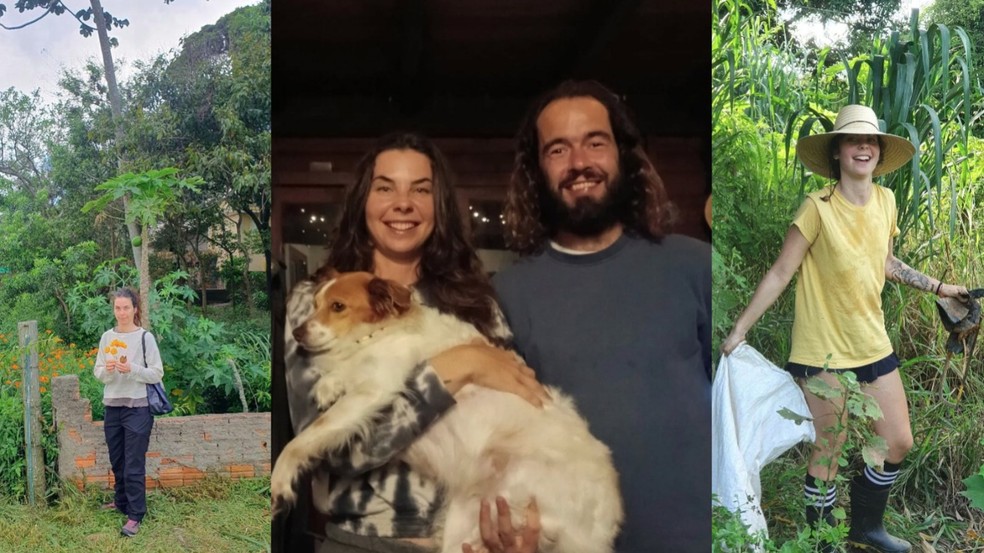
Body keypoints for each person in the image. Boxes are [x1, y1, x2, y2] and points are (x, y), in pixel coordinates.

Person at [282, 132, 547, 553]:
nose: (403, 203)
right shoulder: (318, 303)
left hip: (473, 541)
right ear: (362, 202)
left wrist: (522, 525)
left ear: (438, 206)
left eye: (420, 189)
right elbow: (337, 451)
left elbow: (522, 419)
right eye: (385, 187)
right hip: (359, 544)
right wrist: (457, 368)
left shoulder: (476, 305)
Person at [721, 104, 969, 553]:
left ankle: (865, 528)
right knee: (829, 451)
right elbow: (780, 272)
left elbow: (886, 262)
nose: (863, 147)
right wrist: (740, 329)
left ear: (878, 151)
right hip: (822, 351)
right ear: (837, 152)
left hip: (871, 342)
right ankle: (822, 542)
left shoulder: (886, 201)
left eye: (870, 140)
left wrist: (939, 286)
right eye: (853, 140)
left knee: (897, 441)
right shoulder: (817, 208)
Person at [486, 79, 712, 553]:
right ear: (535, 170)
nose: (580, 163)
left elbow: (740, 405)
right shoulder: (506, 296)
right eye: (558, 150)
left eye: (595, 142)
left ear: (624, 155)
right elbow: (502, 443)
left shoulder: (694, 266)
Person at [92, 287, 164, 537]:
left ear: (135, 309)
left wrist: (131, 368)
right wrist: (110, 370)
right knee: (118, 460)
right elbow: (98, 373)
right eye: (117, 307)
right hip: (112, 406)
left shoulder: (145, 338)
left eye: (126, 307)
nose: (121, 312)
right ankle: (121, 502)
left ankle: (135, 514)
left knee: (133, 463)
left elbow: (156, 373)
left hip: (138, 408)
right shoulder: (106, 338)